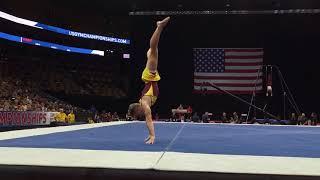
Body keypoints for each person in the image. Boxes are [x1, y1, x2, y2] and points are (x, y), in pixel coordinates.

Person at [127, 17, 170, 144]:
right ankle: (158, 28)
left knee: (153, 49)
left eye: (138, 115)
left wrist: (152, 136)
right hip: (148, 78)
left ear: (138, 109)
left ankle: (159, 27)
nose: (141, 116)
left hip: (149, 76)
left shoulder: (144, 104)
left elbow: (149, 119)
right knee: (150, 52)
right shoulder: (142, 102)